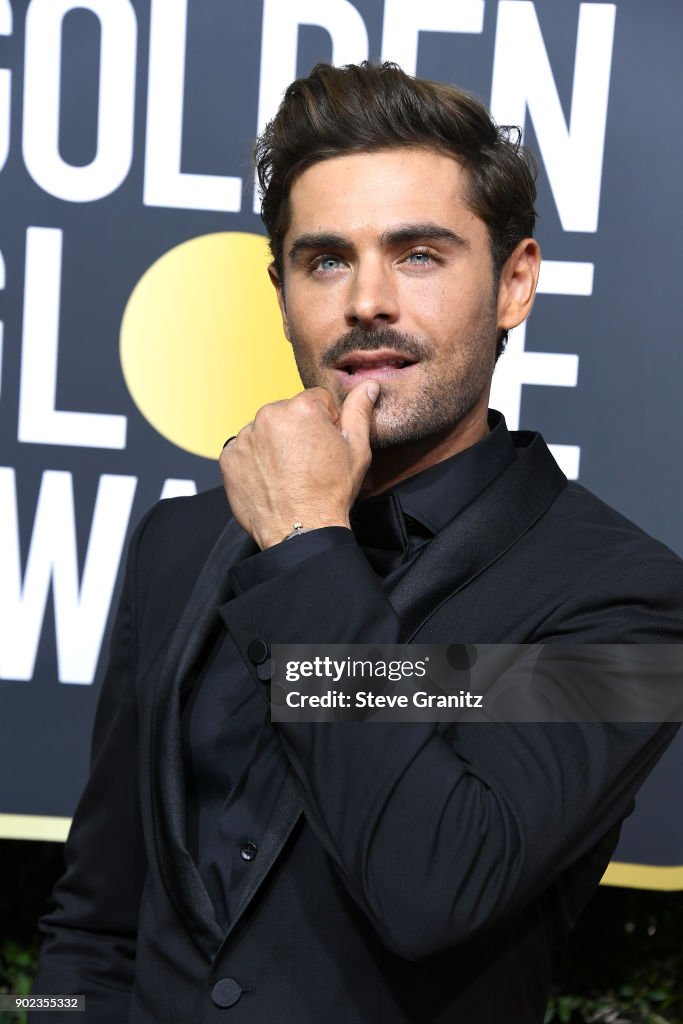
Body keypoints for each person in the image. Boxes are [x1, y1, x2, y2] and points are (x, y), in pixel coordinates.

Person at [32, 61, 683, 1023]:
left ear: (514, 284)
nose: (366, 300)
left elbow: (437, 885)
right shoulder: (179, 541)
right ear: (283, 289)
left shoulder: (627, 602)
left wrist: (303, 544)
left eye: (419, 255)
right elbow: (95, 919)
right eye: (325, 259)